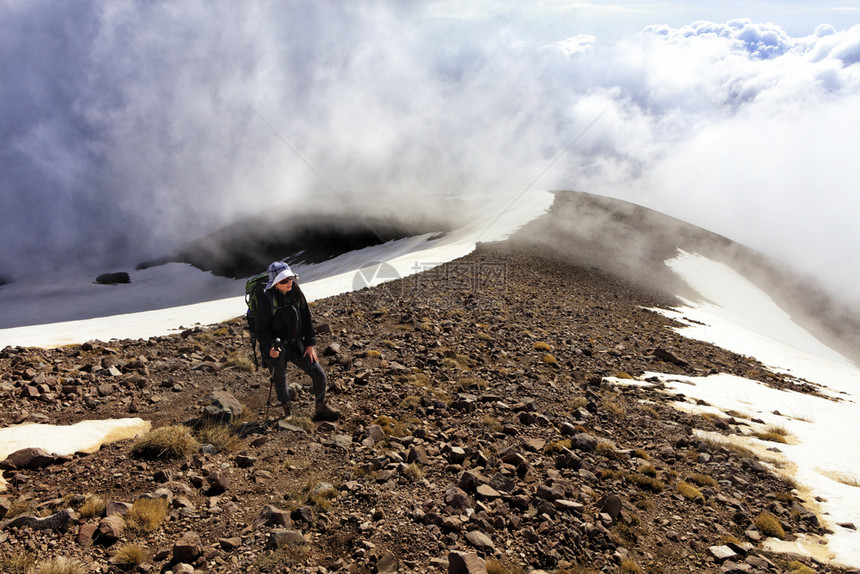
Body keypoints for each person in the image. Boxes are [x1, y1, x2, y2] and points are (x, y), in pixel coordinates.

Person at [254, 261, 341, 421]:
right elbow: (261, 330)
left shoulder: (296, 292)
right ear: (275, 283)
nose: (289, 283)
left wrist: (310, 344)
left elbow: (306, 318)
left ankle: (321, 407)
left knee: (319, 374)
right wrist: (268, 349)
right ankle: (288, 414)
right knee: (280, 379)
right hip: (277, 348)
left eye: (290, 278)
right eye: (284, 280)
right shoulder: (265, 300)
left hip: (296, 345)